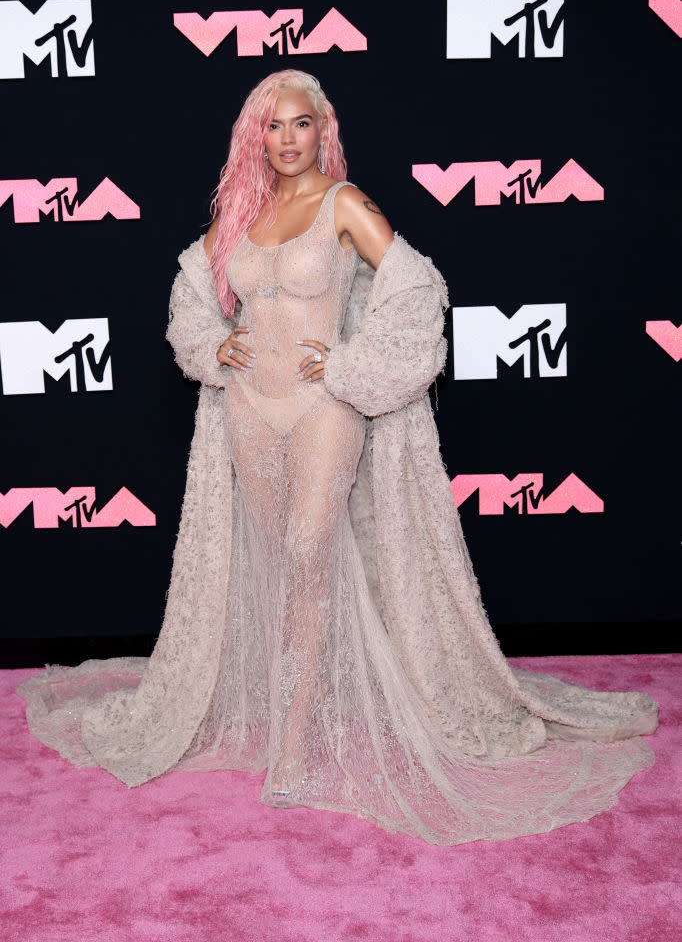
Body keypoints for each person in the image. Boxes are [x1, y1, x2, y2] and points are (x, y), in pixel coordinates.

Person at [16, 70, 658, 846]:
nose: (288, 140)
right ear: (260, 136)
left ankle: (294, 739)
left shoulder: (344, 205)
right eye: (275, 127)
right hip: (250, 405)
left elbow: (419, 289)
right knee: (274, 560)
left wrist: (354, 363)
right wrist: (216, 346)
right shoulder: (242, 212)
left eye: (302, 125)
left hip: (324, 405)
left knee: (309, 544)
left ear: (325, 129)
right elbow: (192, 292)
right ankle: (291, 701)